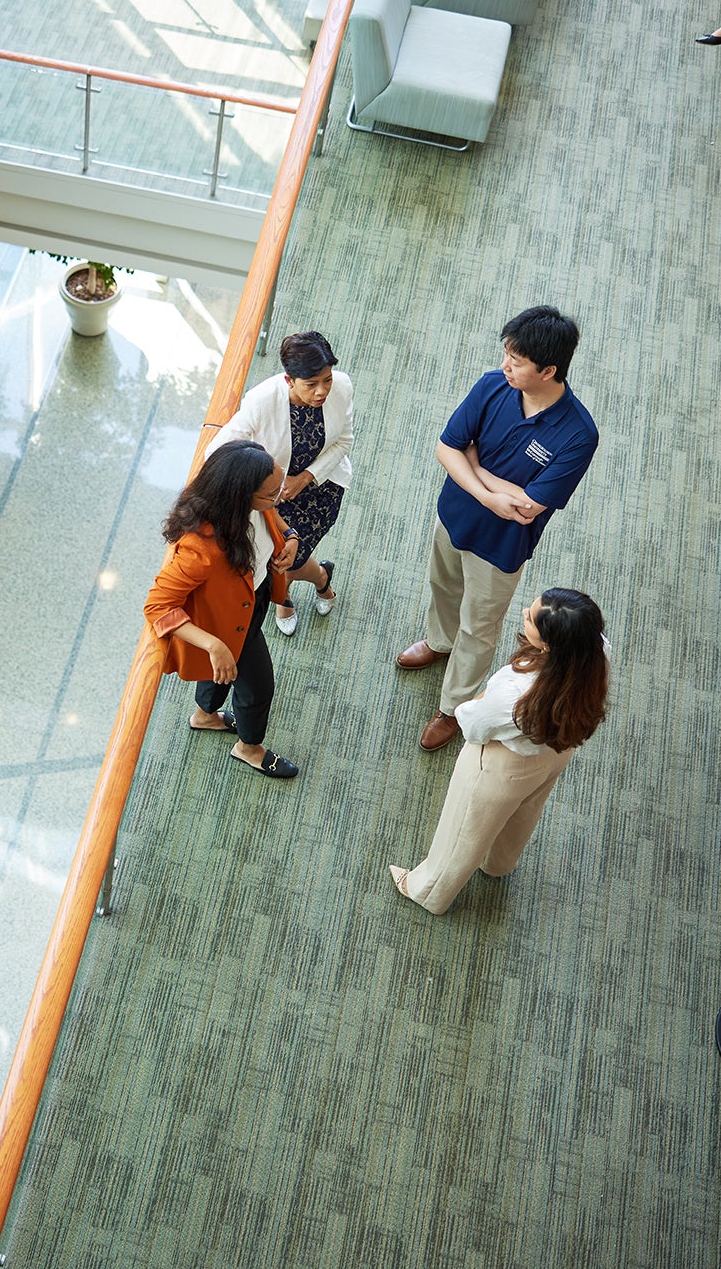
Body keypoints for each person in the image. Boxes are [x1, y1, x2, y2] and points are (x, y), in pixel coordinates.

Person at [398, 307, 597, 752]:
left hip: (501, 547)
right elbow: (445, 447)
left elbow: (527, 508)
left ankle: (454, 706)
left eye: (517, 360)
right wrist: (489, 494)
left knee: (479, 626)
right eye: (506, 352)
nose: (505, 364)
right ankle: (438, 642)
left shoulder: (579, 434)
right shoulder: (493, 384)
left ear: (548, 371)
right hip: (454, 516)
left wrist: (473, 464)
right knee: (443, 588)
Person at [392, 588, 612, 915]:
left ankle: (429, 891)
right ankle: (499, 863)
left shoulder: (517, 693)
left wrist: (477, 701)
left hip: (499, 766)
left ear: (549, 645)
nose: (524, 612)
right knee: (526, 810)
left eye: (531, 617)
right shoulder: (596, 651)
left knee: (463, 830)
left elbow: (472, 724)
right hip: (554, 753)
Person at [144, 439, 301, 779]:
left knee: (222, 674)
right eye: (268, 494)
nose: (278, 498)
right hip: (226, 626)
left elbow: (272, 516)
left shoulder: (252, 505)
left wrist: (291, 538)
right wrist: (214, 645)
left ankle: (205, 717)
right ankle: (250, 749)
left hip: (254, 600)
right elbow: (157, 606)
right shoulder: (200, 548)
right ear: (239, 495)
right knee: (259, 687)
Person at [204, 330, 354, 637]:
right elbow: (216, 451)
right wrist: (253, 481)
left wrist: (306, 477)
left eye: (326, 380)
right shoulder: (262, 401)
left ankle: (311, 582)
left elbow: (344, 441)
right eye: (311, 384)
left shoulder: (342, 386)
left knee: (291, 559)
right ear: (289, 380)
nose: (322, 391)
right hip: (275, 498)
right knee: (278, 559)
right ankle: (311, 584)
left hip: (321, 489)